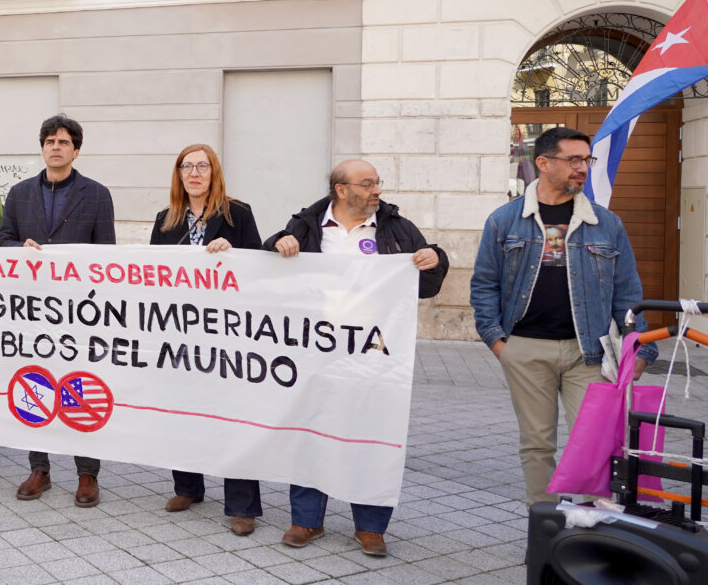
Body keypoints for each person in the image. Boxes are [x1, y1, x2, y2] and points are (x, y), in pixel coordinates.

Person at [266, 159, 449, 557]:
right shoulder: (306, 225)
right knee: (310, 433)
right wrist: (278, 242)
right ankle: (306, 520)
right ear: (341, 189)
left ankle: (370, 527)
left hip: (375, 351)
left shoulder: (396, 228)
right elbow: (268, 271)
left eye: (377, 182)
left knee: (372, 434)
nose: (376, 190)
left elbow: (426, 284)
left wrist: (435, 257)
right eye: (367, 184)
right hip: (317, 351)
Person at [470, 126, 656, 508]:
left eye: (587, 160)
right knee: (537, 443)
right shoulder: (504, 220)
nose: (582, 168)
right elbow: (484, 284)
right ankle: (546, 526)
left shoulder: (607, 223)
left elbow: (627, 293)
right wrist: (498, 341)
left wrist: (639, 348)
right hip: (526, 349)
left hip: (590, 352)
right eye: (573, 160)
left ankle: (595, 525)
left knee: (596, 441)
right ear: (543, 163)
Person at [0, 114, 115, 507]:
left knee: (81, 384)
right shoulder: (19, 194)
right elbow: (3, 240)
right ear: (42, 147)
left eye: (64, 142)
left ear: (76, 150)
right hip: (30, 308)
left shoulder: (96, 194)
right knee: (35, 381)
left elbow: (106, 256)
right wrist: (20, 249)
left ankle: (87, 473)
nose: (56, 147)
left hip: (80, 311)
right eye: (50, 141)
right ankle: (40, 468)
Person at [151, 144, 263, 536]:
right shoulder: (166, 219)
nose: (194, 173)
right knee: (182, 409)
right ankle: (187, 487)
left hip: (227, 331)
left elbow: (259, 266)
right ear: (178, 174)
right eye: (187, 166)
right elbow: (153, 275)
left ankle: (242, 505)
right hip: (179, 331)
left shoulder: (237, 213)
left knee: (233, 416)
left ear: (214, 172)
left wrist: (234, 253)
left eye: (202, 166)